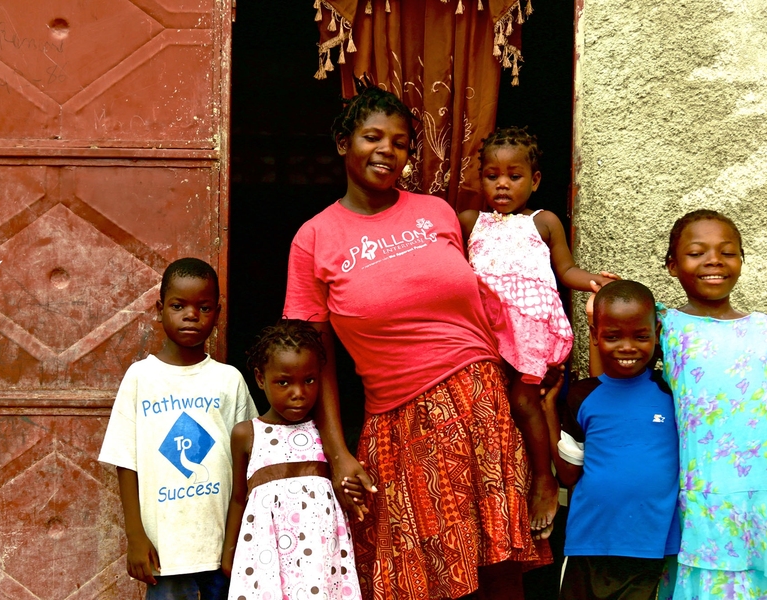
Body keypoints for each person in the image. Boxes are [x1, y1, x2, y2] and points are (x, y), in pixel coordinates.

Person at [283, 81, 551, 600]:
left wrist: (541, 360)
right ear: (344, 143)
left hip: (481, 408)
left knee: (500, 576)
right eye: (372, 137)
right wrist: (337, 452)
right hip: (398, 423)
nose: (387, 150)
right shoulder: (314, 238)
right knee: (421, 582)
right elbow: (315, 362)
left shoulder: (439, 214)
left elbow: (506, 295)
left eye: (401, 142)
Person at [657, 210, 767, 598]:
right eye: (696, 252)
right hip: (703, 493)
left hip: (765, 493)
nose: (714, 261)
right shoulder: (663, 327)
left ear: (741, 260)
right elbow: (618, 387)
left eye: (727, 252)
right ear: (672, 265)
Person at [457, 127, 617, 532]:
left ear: (535, 180)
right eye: (492, 176)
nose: (503, 184)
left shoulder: (542, 222)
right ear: (480, 179)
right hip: (484, 328)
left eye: (514, 176)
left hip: (528, 325)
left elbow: (565, 271)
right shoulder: (468, 221)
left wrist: (599, 283)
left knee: (524, 399)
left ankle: (544, 480)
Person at [99, 257, 258, 600]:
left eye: (203, 307)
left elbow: (249, 461)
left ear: (217, 312)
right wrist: (135, 537)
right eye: (178, 305)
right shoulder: (141, 378)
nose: (191, 315)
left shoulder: (228, 381)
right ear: (159, 309)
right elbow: (125, 461)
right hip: (164, 552)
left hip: (222, 548)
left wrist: (245, 536)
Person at [542, 280, 680, 600]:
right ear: (594, 336)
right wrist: (549, 408)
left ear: (657, 332)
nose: (627, 347)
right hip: (588, 544)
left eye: (641, 336)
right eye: (612, 336)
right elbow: (568, 474)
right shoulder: (582, 396)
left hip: (653, 549)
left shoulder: (672, 393)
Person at [221, 319, 362, 599]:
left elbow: (341, 490)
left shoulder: (325, 433)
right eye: (284, 382)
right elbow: (239, 497)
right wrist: (229, 552)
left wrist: (352, 490)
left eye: (309, 381)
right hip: (266, 558)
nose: (298, 394)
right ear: (261, 379)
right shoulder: (246, 434)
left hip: (320, 558)